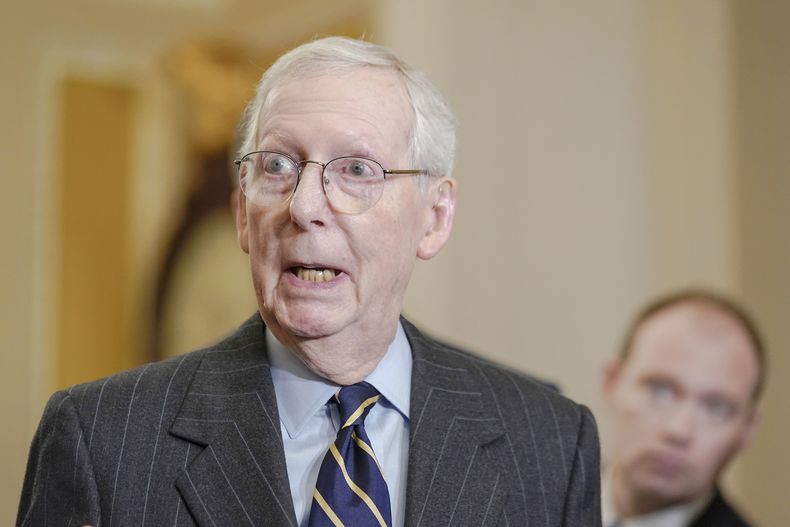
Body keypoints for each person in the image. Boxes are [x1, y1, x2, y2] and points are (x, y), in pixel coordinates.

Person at [17, 36, 600, 527]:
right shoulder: (102, 441)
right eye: (278, 166)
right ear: (243, 212)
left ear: (434, 217)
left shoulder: (549, 442)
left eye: (356, 170)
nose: (305, 206)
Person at [601, 290, 764, 527]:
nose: (678, 430)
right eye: (661, 391)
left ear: (747, 431)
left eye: (716, 408)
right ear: (611, 383)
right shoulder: (535, 497)